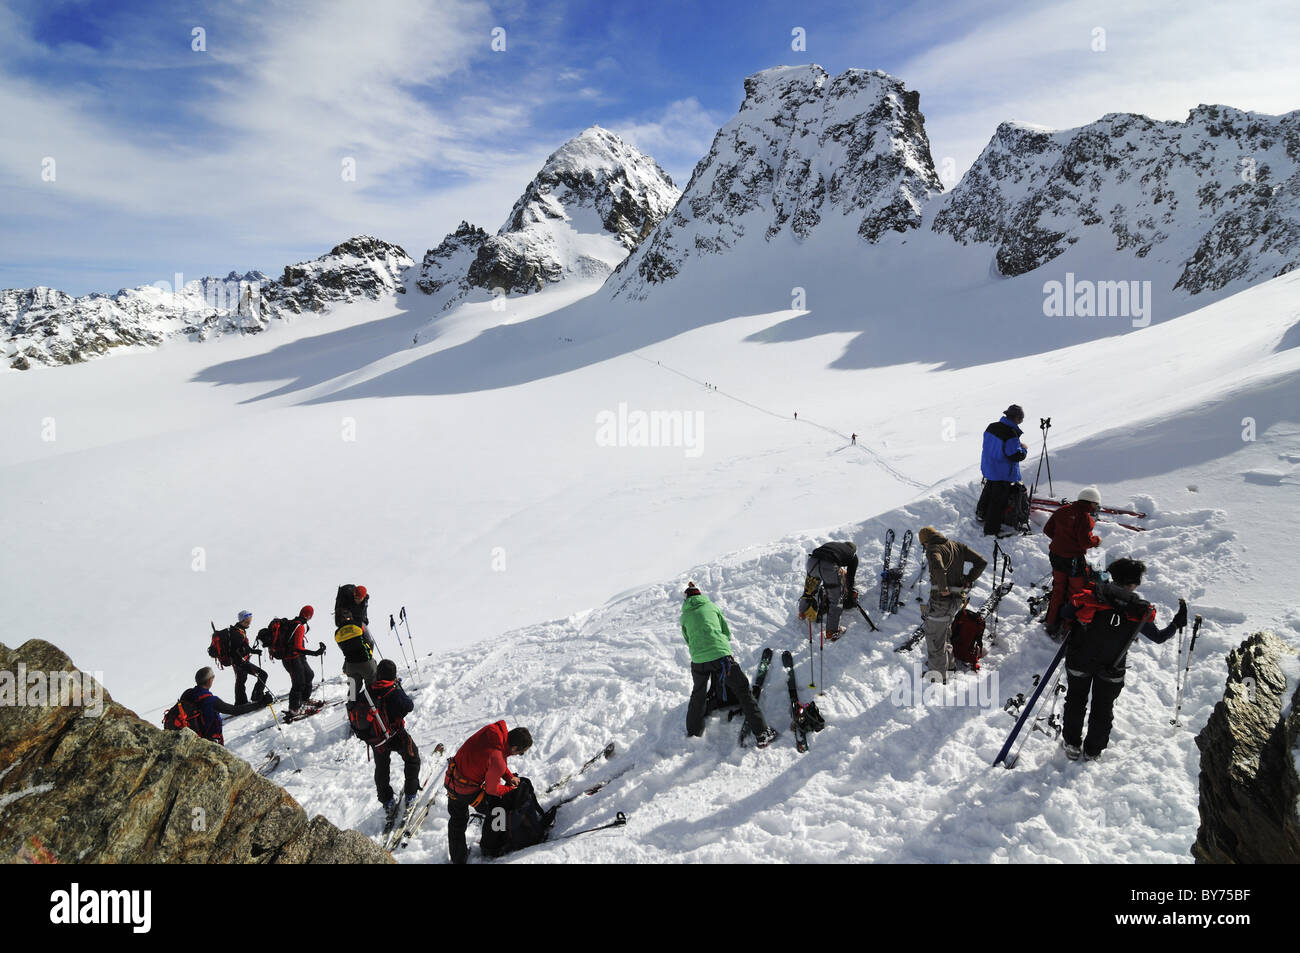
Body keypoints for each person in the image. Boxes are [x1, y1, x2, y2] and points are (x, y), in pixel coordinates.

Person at [1060, 558, 1185, 760]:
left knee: (1075, 701)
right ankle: (1093, 750)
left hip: (1080, 659)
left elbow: (1065, 612)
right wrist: (1177, 624)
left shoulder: (1093, 595)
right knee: (1103, 708)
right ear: (1133, 583)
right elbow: (1159, 637)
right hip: (1112, 667)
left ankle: (1072, 744)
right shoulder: (1138, 609)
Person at [681, 581, 776, 746]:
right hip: (721, 657)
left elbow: (688, 640)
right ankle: (762, 733)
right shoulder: (712, 607)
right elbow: (726, 632)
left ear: (686, 599)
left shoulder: (684, 616)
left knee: (698, 694)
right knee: (743, 691)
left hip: (698, 661)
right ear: (700, 594)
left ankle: (693, 731)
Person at [443, 722, 534, 864]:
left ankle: (458, 859)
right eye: (521, 753)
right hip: (467, 790)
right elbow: (492, 789)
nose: (518, 755)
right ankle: (491, 846)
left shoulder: (491, 732)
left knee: (457, 821)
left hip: (451, 779)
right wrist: (511, 789)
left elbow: (492, 759)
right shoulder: (498, 759)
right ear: (515, 748)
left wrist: (509, 777)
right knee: (498, 810)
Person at [917, 527, 987, 682]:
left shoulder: (933, 548)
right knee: (945, 633)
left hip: (941, 601)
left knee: (934, 637)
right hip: (957, 600)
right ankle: (949, 667)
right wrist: (969, 579)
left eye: (923, 545)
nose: (925, 548)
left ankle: (936, 677)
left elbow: (937, 566)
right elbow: (981, 562)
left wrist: (943, 589)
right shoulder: (957, 546)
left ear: (926, 542)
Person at [365, 659, 421, 819]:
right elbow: (408, 706)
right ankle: (410, 795)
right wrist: (398, 687)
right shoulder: (393, 691)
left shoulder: (368, 691)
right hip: (396, 735)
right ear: (393, 675)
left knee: (381, 769)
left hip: (376, 740)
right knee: (412, 759)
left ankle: (387, 801)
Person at [1043, 486, 1102, 637]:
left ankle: (1051, 622)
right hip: (1074, 560)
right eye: (1096, 504)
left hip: (1056, 555)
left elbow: (1047, 530)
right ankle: (1069, 626)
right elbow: (1085, 542)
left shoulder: (1062, 510)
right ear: (1091, 503)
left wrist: (1061, 541)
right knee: (1075, 592)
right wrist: (1096, 541)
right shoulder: (1085, 517)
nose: (1096, 507)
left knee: (1058, 589)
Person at [179, 667, 266, 746]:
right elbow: (235, 710)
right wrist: (260, 703)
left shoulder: (187, 693)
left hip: (186, 739)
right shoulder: (211, 700)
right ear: (209, 680)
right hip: (208, 742)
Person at [977, 404, 1029, 536]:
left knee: (988, 491)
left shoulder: (991, 427)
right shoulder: (1010, 433)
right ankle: (992, 530)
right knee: (998, 502)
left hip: (989, 467)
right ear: (1017, 418)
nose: (1021, 421)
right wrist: (1023, 448)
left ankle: (981, 514)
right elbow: (1015, 455)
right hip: (1002, 472)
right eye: (1021, 419)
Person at [799, 541, 859, 638]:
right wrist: (848, 592)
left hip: (812, 561)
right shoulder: (853, 556)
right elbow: (850, 578)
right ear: (854, 550)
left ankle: (802, 612)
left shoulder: (835, 545)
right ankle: (832, 631)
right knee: (836, 600)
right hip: (828, 566)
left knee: (809, 589)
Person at [278, 606, 326, 714]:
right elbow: (298, 648)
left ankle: (304, 700)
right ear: (309, 616)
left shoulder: (293, 623)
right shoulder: (299, 626)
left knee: (309, 675)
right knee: (298, 683)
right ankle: (294, 709)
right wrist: (315, 653)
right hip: (291, 658)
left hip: (296, 657)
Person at [225, 610, 271, 706]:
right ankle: (256, 697)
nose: (249, 623)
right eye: (248, 621)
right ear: (243, 620)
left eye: (250, 620)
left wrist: (254, 651)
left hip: (239, 662)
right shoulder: (236, 633)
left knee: (241, 681)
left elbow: (243, 647)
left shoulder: (239, 630)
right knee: (263, 675)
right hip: (241, 662)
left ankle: (241, 702)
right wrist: (248, 652)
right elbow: (237, 649)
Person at [335, 609, 378, 701]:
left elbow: (343, 648)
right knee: (372, 686)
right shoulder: (359, 625)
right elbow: (370, 642)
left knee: (353, 690)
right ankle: (374, 708)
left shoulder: (337, 633)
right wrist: (370, 656)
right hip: (366, 661)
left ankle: (351, 709)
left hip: (350, 664)